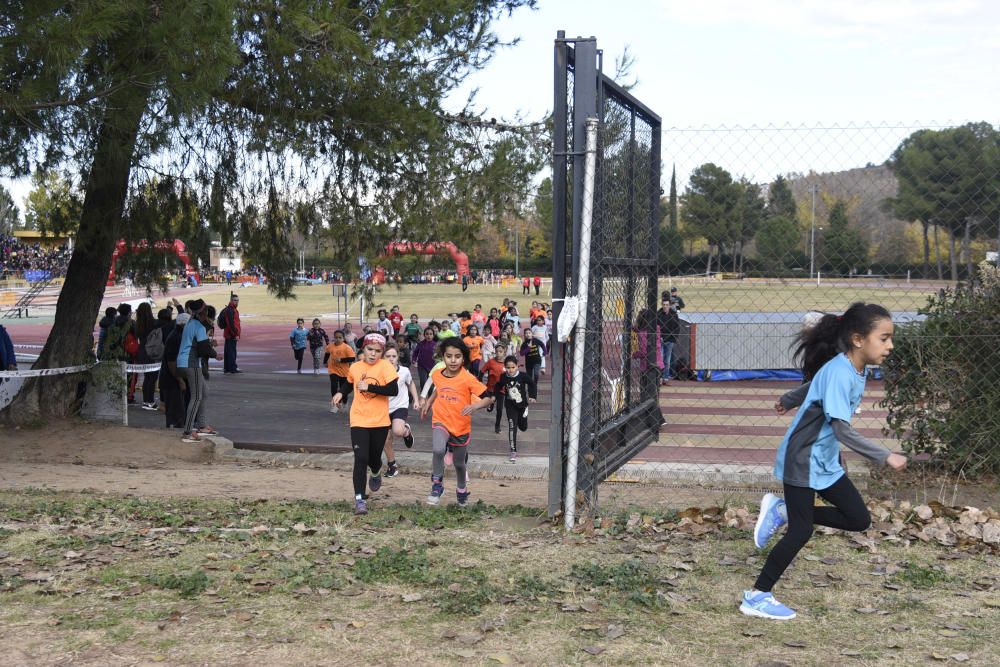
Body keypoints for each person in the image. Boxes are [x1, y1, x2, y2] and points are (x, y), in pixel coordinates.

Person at [741, 302, 907, 621]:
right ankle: (757, 596)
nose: (890, 345)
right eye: (884, 338)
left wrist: (789, 399)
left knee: (858, 519)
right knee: (801, 532)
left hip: (825, 461)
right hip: (803, 459)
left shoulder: (850, 368)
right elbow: (841, 430)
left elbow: (814, 386)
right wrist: (884, 455)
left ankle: (783, 511)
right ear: (859, 339)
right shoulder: (841, 373)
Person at [419, 337, 493, 506]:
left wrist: (475, 407)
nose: (453, 360)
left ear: (463, 358)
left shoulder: (468, 378)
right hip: (441, 420)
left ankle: (461, 490)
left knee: (459, 464)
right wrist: (429, 403)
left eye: (457, 356)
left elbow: (489, 398)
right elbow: (439, 389)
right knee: (438, 449)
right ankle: (437, 485)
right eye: (449, 356)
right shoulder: (437, 374)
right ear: (442, 357)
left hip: (460, 426)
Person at [332, 333, 399, 516]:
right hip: (359, 420)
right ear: (363, 349)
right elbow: (349, 383)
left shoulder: (386, 367)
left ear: (382, 352)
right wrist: (341, 393)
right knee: (360, 458)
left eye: (377, 351)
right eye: (370, 350)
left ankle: (376, 470)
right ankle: (359, 500)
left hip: (380, 421)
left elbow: (393, 389)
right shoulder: (355, 367)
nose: (373, 354)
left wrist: (369, 387)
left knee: (374, 459)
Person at [177, 300, 220, 443]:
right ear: (203, 313)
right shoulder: (199, 327)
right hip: (191, 363)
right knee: (196, 397)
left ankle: (201, 425)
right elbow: (203, 348)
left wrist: (208, 344)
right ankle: (188, 431)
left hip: (184, 363)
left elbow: (199, 344)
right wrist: (215, 354)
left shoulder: (190, 324)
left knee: (204, 392)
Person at [382, 345, 419, 478]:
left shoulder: (404, 371)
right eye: (388, 356)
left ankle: (406, 431)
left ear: (398, 357)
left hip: (400, 406)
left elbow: (411, 384)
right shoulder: (378, 371)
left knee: (397, 431)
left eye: (394, 356)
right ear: (382, 357)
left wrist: (416, 400)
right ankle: (392, 466)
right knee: (385, 440)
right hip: (383, 409)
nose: (391, 359)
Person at [494, 355, 536, 462]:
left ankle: (525, 415)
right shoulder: (504, 377)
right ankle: (513, 451)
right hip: (510, 406)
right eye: (508, 367)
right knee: (512, 427)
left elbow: (532, 384)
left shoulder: (523, 376)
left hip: (522, 406)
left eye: (513, 367)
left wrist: (532, 396)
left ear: (517, 366)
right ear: (505, 367)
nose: (510, 370)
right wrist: (494, 396)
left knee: (523, 427)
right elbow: (498, 386)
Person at [160, 313, 189, 429]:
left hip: (174, 379)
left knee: (179, 410)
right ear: (182, 324)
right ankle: (173, 432)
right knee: (175, 411)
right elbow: (171, 362)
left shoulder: (179, 335)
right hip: (171, 380)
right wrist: (180, 380)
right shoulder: (175, 337)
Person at [326, 330, 355, 413]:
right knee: (334, 386)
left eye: (340, 338)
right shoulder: (330, 346)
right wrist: (325, 362)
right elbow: (327, 353)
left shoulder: (347, 347)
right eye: (336, 337)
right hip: (333, 369)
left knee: (343, 389)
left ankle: (345, 401)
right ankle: (336, 404)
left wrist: (341, 360)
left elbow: (352, 358)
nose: (338, 339)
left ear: (343, 339)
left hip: (344, 371)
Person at [656, 296, 681, 384]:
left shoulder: (674, 315)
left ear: (669, 305)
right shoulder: (658, 314)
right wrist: (659, 338)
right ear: (662, 305)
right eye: (664, 305)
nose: (665, 306)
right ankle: (659, 377)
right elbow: (655, 327)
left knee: (667, 360)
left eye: (667, 305)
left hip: (670, 340)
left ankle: (666, 377)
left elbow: (677, 328)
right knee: (660, 359)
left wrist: (674, 338)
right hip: (661, 340)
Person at [221, 293, 241, 374]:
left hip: (229, 334)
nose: (236, 302)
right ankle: (232, 368)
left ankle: (228, 368)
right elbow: (231, 324)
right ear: (231, 301)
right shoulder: (230, 310)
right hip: (231, 334)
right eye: (235, 300)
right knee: (231, 352)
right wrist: (235, 334)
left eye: (237, 300)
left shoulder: (233, 310)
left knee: (229, 351)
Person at [412, 327, 438, 391]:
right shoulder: (420, 344)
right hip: (422, 366)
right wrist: (414, 360)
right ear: (424, 335)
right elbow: (415, 352)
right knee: (423, 381)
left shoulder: (436, 345)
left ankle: (430, 397)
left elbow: (440, 355)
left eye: (430, 334)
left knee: (431, 384)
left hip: (432, 367)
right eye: (427, 334)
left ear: (433, 335)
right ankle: (423, 395)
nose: (429, 336)